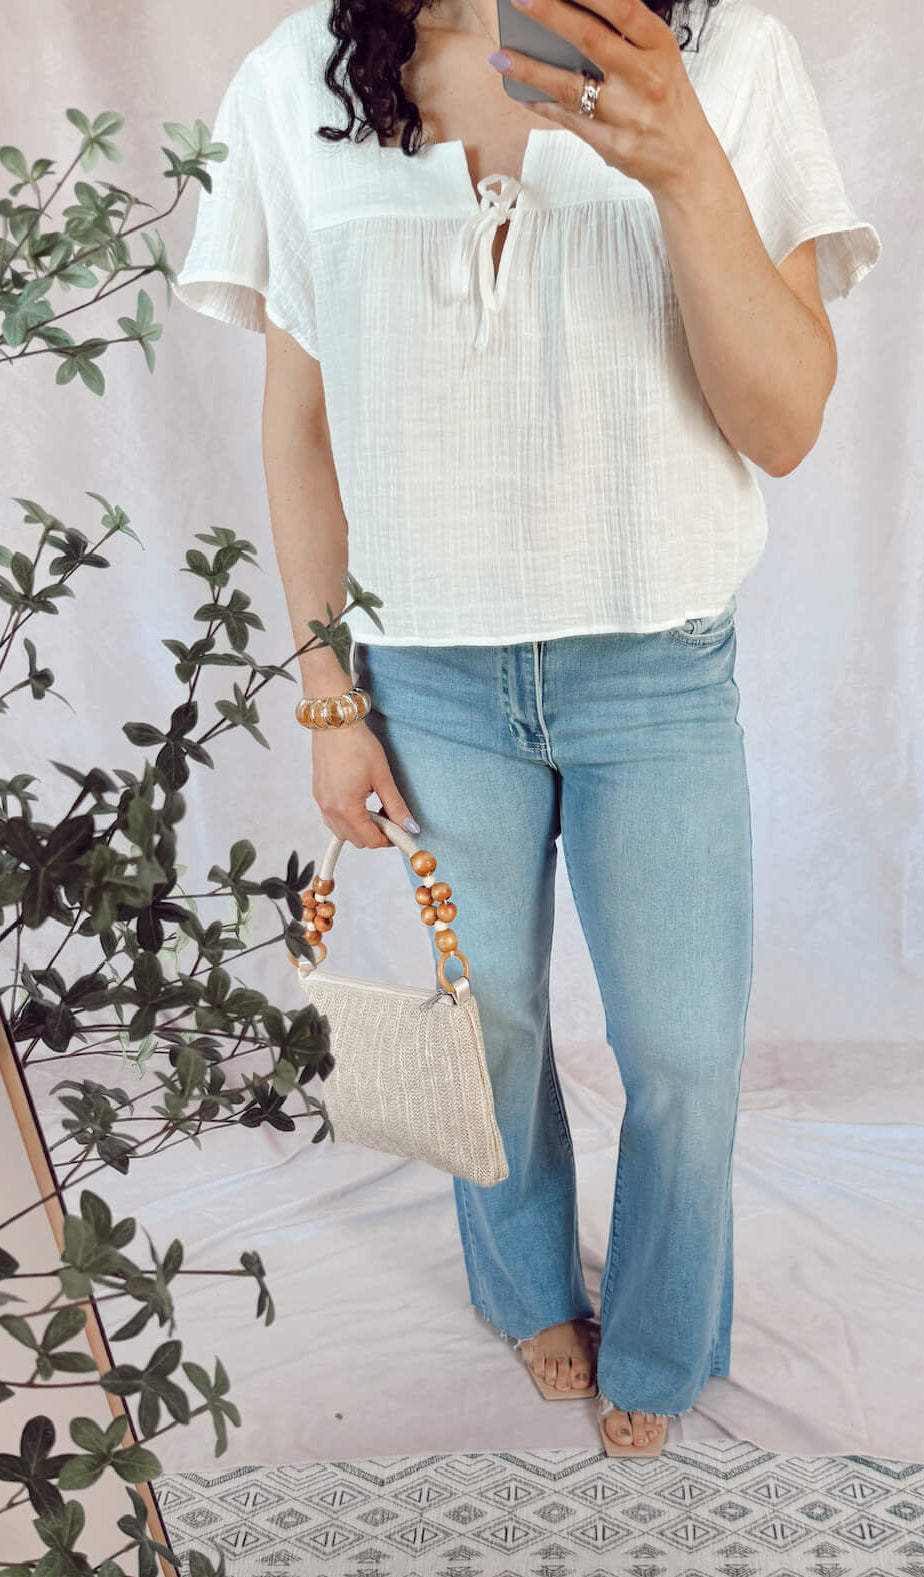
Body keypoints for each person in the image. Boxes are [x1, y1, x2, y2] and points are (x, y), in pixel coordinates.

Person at [174, 0, 881, 1457]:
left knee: (683, 1051)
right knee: (483, 1030)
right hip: (426, 678)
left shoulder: (727, 57)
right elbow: (300, 425)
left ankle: (665, 1334)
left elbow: (787, 424)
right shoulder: (298, 78)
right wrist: (328, 697)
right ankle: (524, 1285)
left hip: (656, 666)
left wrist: (682, 160)